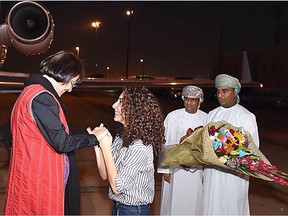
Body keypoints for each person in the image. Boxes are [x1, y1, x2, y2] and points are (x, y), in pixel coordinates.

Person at [4, 50, 108, 215]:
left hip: (28, 176)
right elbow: (62, 143)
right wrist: (94, 138)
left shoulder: (29, 92)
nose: (70, 89)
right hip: (40, 180)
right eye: (72, 83)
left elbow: (11, 135)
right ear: (65, 74)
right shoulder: (43, 98)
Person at [90, 86, 165, 215]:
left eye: (120, 102)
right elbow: (105, 174)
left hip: (134, 211)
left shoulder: (140, 146)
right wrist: (98, 145)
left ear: (134, 109)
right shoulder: (121, 137)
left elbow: (117, 187)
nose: (114, 105)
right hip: (119, 208)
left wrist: (107, 147)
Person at [202, 74, 260, 215]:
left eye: (225, 91)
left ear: (235, 92)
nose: (220, 95)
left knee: (231, 207)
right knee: (211, 206)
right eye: (218, 91)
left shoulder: (246, 117)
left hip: (234, 176)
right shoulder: (211, 115)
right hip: (212, 173)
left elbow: (252, 149)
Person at [157, 85, 207, 215]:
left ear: (199, 101)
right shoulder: (173, 117)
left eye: (193, 100)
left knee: (195, 202)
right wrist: (165, 170)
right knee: (174, 202)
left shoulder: (206, 118)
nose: (189, 103)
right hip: (176, 169)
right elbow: (165, 143)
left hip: (197, 170)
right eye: (186, 99)